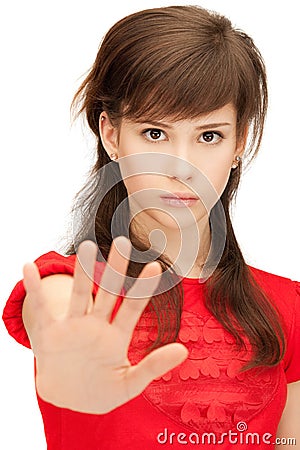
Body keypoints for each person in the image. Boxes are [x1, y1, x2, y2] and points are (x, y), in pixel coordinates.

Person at [2, 5, 300, 449]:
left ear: (239, 143)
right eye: (155, 133)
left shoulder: (286, 307)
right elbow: (58, 316)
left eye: (209, 136)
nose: (182, 168)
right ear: (111, 135)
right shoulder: (69, 284)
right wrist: (66, 358)